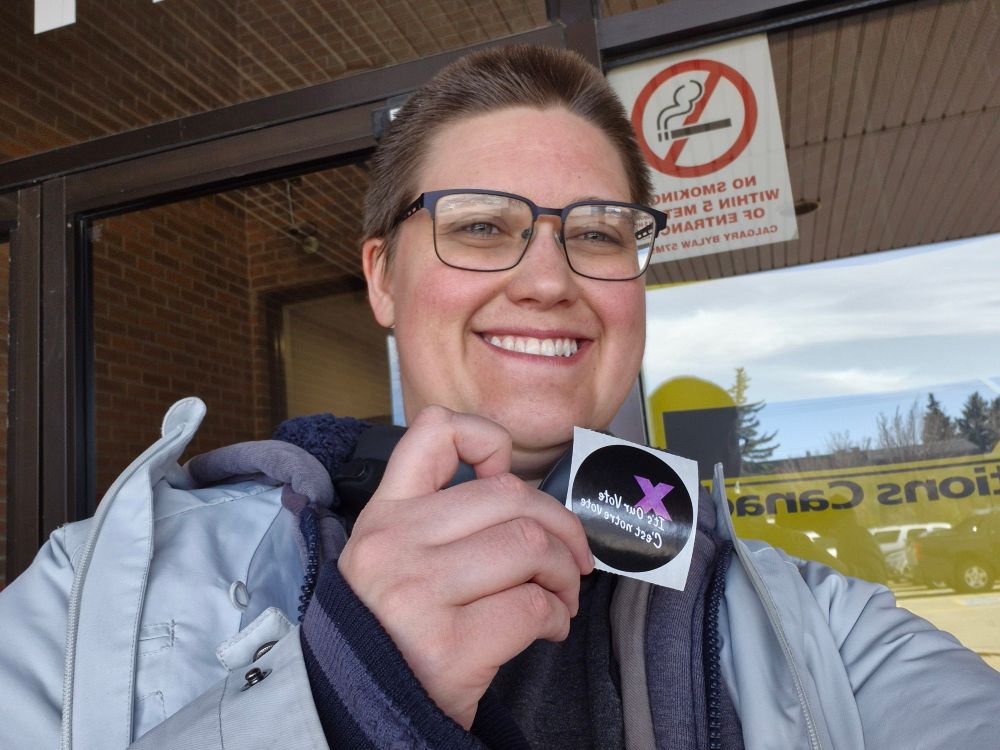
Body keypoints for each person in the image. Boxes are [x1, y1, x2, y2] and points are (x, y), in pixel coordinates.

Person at [1, 44, 998, 750]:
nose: (550, 279)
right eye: (482, 227)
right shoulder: (100, 587)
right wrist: (337, 693)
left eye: (600, 233)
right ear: (384, 279)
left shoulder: (796, 616)